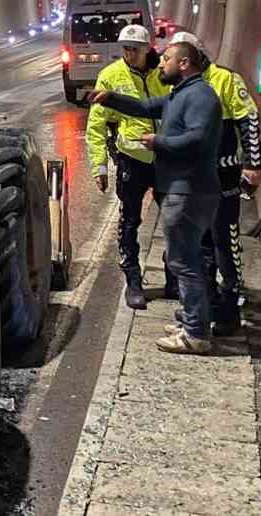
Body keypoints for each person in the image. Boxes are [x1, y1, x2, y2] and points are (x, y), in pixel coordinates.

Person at [93, 39, 222, 354]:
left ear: (184, 64)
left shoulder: (200, 96)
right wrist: (110, 99)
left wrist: (159, 143)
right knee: (186, 258)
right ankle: (194, 320)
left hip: (189, 189)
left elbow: (198, 139)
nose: (160, 63)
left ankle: (195, 334)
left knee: (185, 261)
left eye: (166, 59)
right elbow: (143, 107)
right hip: (183, 188)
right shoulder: (179, 94)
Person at [175, 32, 261, 336]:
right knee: (199, 246)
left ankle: (230, 307)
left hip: (222, 176)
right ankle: (206, 303)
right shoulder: (181, 86)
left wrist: (253, 163)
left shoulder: (225, 80)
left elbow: (249, 117)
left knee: (224, 242)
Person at [85, 24, 169, 310]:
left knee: (174, 219)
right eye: (125, 49)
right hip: (132, 159)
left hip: (167, 157)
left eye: (135, 49)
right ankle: (133, 281)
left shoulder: (164, 73)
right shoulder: (110, 76)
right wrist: (99, 167)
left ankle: (174, 278)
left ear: (148, 48)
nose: (130, 54)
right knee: (130, 221)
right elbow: (96, 125)